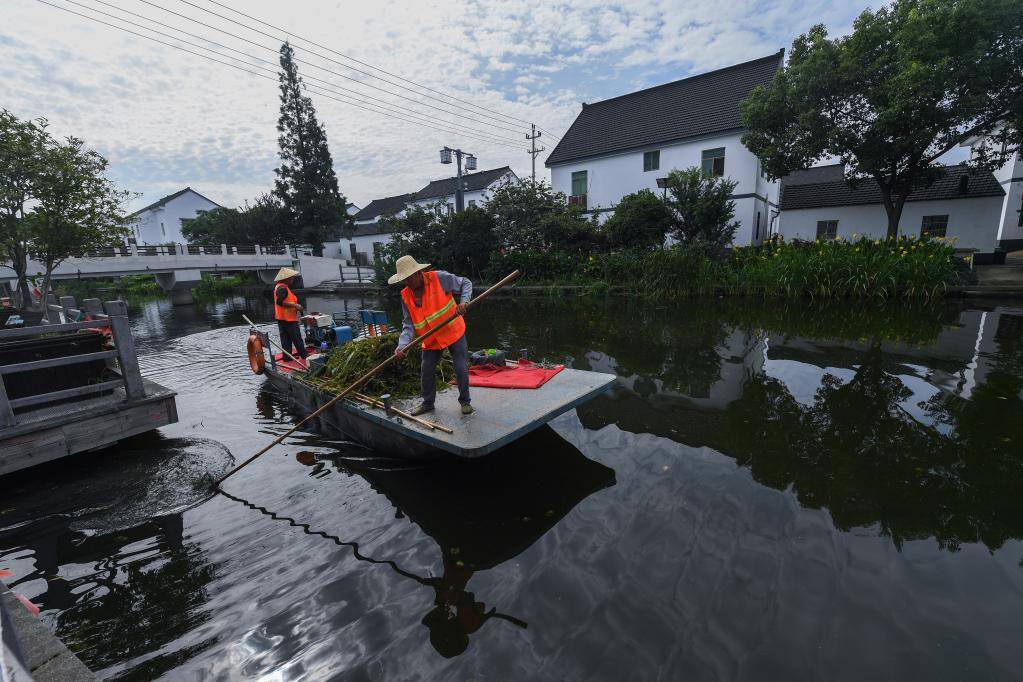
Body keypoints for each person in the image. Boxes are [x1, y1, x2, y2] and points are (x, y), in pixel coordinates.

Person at [390, 255, 473, 416]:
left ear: (418, 273)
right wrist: (402, 345)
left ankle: (465, 401)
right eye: (404, 280)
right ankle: (428, 403)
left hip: (452, 330)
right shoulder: (406, 295)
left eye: (408, 279)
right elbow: (408, 325)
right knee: (426, 369)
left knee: (460, 366)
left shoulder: (439, 278)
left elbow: (466, 283)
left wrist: (464, 302)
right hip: (431, 339)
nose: (407, 283)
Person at [273, 267, 308, 366]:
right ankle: (304, 355)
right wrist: (295, 305)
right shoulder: (282, 289)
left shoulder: (279, 286)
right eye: (292, 278)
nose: (293, 280)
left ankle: (287, 357)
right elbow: (280, 302)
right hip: (288, 319)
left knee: (286, 339)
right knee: (296, 337)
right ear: (287, 278)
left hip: (281, 318)